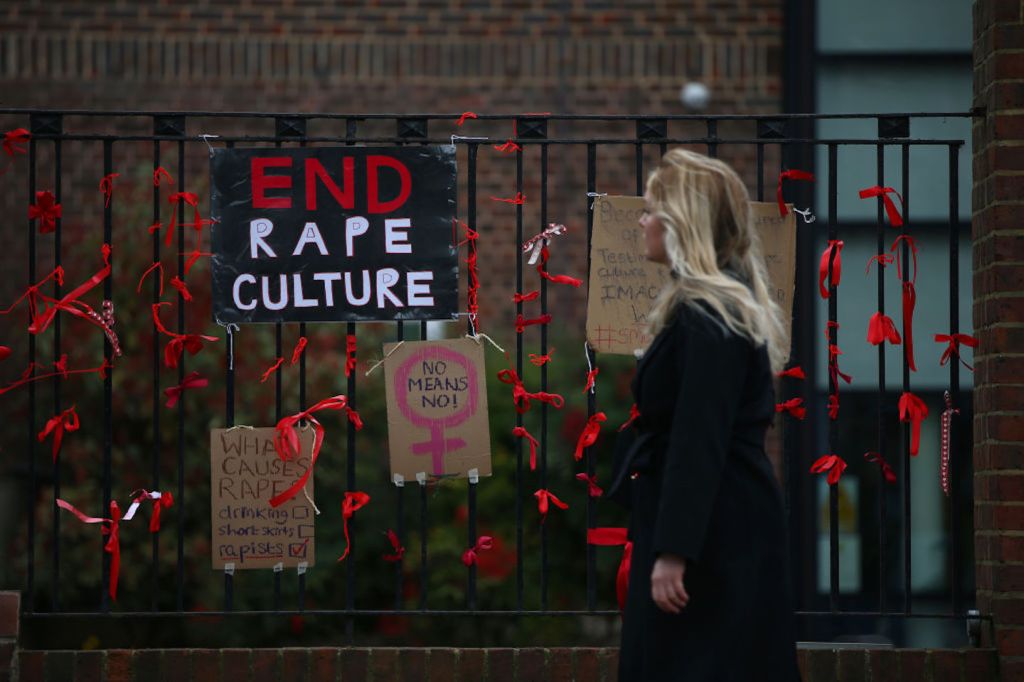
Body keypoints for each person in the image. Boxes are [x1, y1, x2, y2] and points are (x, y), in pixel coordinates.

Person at [611, 149, 801, 681]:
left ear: (680, 223)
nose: (642, 222)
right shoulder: (709, 310)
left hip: (714, 538)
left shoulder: (708, 316)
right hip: (718, 526)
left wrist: (673, 551)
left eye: (651, 210)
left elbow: (700, 438)